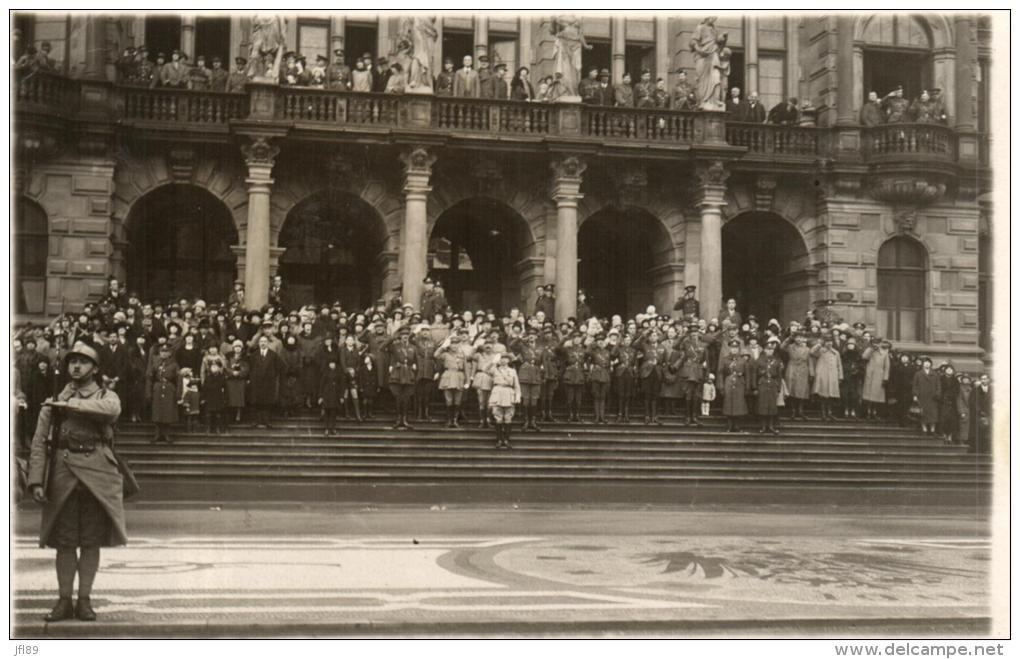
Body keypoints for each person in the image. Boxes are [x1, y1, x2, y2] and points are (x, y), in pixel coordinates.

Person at [27, 341, 127, 623]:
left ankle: (84, 600)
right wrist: (36, 480)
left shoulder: (107, 395)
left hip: (98, 476)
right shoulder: (53, 401)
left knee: (91, 542)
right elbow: (38, 443)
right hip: (63, 475)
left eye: (83, 362)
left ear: (95, 368)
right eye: (72, 361)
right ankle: (63, 601)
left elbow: (110, 410)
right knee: (65, 542)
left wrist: (70, 403)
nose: (76, 366)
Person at [386, 325, 418, 430]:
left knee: (406, 398)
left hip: (409, 374)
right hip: (397, 374)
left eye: (407, 335)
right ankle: (398, 419)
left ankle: (405, 419)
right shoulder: (395, 346)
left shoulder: (413, 347)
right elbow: (382, 347)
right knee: (398, 398)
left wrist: (414, 367)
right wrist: (393, 337)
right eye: (403, 334)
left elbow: (416, 360)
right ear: (400, 336)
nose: (405, 336)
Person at [488, 352, 522, 450]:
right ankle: (499, 440)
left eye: (506, 358)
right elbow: (486, 370)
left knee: (508, 417)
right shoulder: (495, 369)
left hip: (509, 392)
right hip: (497, 392)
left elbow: (516, 385)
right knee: (498, 417)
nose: (503, 360)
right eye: (501, 358)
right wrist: (494, 362)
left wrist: (518, 396)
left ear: (509, 360)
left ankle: (506, 440)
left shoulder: (512, 371)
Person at [249, 335, 282, 429]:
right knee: (256, 402)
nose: (263, 343)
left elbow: (280, 367)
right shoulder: (253, 355)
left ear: (268, 343)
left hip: (268, 383)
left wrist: (273, 376)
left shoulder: (273, 355)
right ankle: (257, 421)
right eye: (261, 342)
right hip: (256, 383)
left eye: (264, 341)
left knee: (267, 402)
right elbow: (250, 369)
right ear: (258, 343)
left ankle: (267, 421)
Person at [147, 344, 178, 443]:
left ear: (170, 353)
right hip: (157, 389)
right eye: (162, 352)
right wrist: (148, 392)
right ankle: (157, 434)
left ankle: (166, 435)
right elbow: (149, 378)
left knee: (168, 412)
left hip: (169, 390)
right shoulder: (155, 364)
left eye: (166, 352)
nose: (164, 354)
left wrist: (178, 394)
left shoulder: (174, 365)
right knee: (157, 412)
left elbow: (179, 380)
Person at [753, 338, 784, 435]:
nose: (770, 351)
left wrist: (779, 387)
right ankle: (763, 426)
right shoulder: (759, 360)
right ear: (765, 350)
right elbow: (754, 374)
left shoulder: (777, 361)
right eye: (768, 349)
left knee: (772, 406)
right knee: (762, 405)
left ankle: (770, 426)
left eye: (771, 349)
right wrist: (754, 387)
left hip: (772, 384)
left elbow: (779, 375)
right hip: (762, 383)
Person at [810, 334, 843, 421]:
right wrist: (819, 344)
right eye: (827, 341)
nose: (829, 343)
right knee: (823, 396)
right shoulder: (820, 351)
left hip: (833, 377)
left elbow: (839, 365)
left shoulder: (836, 353)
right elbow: (812, 352)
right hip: (823, 376)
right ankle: (823, 414)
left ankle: (830, 413)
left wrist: (840, 377)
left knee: (831, 396)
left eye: (831, 341)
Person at [515, 331, 544, 431]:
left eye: (533, 334)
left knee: (534, 399)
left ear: (536, 336)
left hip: (536, 375)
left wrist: (543, 374)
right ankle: (526, 420)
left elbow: (543, 361)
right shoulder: (523, 346)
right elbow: (512, 345)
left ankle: (533, 421)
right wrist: (520, 338)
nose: (531, 336)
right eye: (529, 335)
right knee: (526, 399)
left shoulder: (540, 348)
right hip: (525, 374)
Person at [721, 340, 749, 432]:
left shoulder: (742, 360)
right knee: (729, 404)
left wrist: (747, 387)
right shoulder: (725, 359)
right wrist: (720, 386)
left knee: (738, 405)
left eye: (736, 348)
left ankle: (737, 425)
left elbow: (747, 375)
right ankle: (729, 425)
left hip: (740, 384)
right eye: (732, 347)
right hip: (728, 383)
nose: (734, 349)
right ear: (730, 348)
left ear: (738, 349)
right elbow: (720, 373)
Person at [912, 357, 940, 436]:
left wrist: (937, 393)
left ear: (931, 364)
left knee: (933, 414)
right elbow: (915, 385)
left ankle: (932, 429)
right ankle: (924, 429)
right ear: (922, 364)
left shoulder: (935, 374)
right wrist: (915, 395)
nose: (927, 364)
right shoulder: (918, 374)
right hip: (922, 396)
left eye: (928, 362)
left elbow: (938, 385)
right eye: (925, 362)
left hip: (932, 397)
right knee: (923, 413)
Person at [937, 364, 960, 445]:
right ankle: (944, 435)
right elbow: (938, 389)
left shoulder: (955, 380)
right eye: (948, 369)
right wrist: (942, 397)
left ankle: (950, 436)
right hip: (943, 402)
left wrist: (952, 395)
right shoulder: (941, 379)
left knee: (952, 420)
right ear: (945, 370)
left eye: (951, 369)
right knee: (943, 419)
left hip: (952, 402)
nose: (949, 371)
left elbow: (957, 391)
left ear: (953, 371)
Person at [319, 358, 341, 436]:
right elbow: (321, 384)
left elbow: (341, 384)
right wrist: (321, 396)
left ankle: (333, 428)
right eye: (330, 363)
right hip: (327, 395)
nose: (332, 365)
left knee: (333, 413)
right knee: (326, 412)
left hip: (335, 395)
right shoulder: (326, 372)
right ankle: (326, 429)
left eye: (333, 363)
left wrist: (341, 396)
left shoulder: (338, 372)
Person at [970, 374, 991, 454]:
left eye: (985, 379)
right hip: (979, 414)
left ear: (988, 380)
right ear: (980, 380)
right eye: (982, 379)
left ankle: (988, 449)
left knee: (989, 432)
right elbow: (972, 402)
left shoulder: (993, 390)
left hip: (990, 414)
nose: (984, 380)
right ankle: (980, 449)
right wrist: (979, 411)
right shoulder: (975, 390)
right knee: (979, 432)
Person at [177, 367, 200, 432]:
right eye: (190, 372)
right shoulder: (184, 380)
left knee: (191, 415)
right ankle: (186, 428)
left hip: (192, 398)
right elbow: (182, 388)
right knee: (187, 414)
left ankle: (193, 428)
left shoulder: (192, 381)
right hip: (186, 396)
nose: (191, 373)